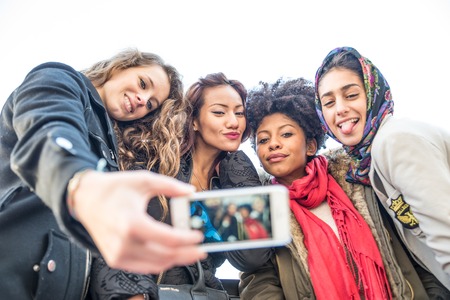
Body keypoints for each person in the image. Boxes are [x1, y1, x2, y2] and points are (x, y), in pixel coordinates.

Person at [0, 48, 207, 299]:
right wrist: (81, 184)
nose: (143, 99)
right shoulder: (60, 79)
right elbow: (49, 129)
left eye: (151, 104)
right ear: (120, 66)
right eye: (143, 83)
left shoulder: (111, 146)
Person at [228, 77, 420, 299]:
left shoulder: (359, 181)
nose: (273, 144)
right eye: (263, 140)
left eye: (286, 134)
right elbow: (258, 281)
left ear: (310, 145)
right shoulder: (259, 210)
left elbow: (409, 247)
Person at [89, 72, 261, 299]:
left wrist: (237, 168)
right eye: (219, 112)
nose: (233, 122)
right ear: (195, 120)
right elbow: (113, 228)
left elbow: (252, 258)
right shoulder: (155, 163)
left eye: (239, 113)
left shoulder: (231, 180)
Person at [314, 46, 450, 296]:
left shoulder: (395, 143)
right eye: (329, 102)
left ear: (373, 93)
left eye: (351, 95)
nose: (340, 109)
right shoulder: (369, 159)